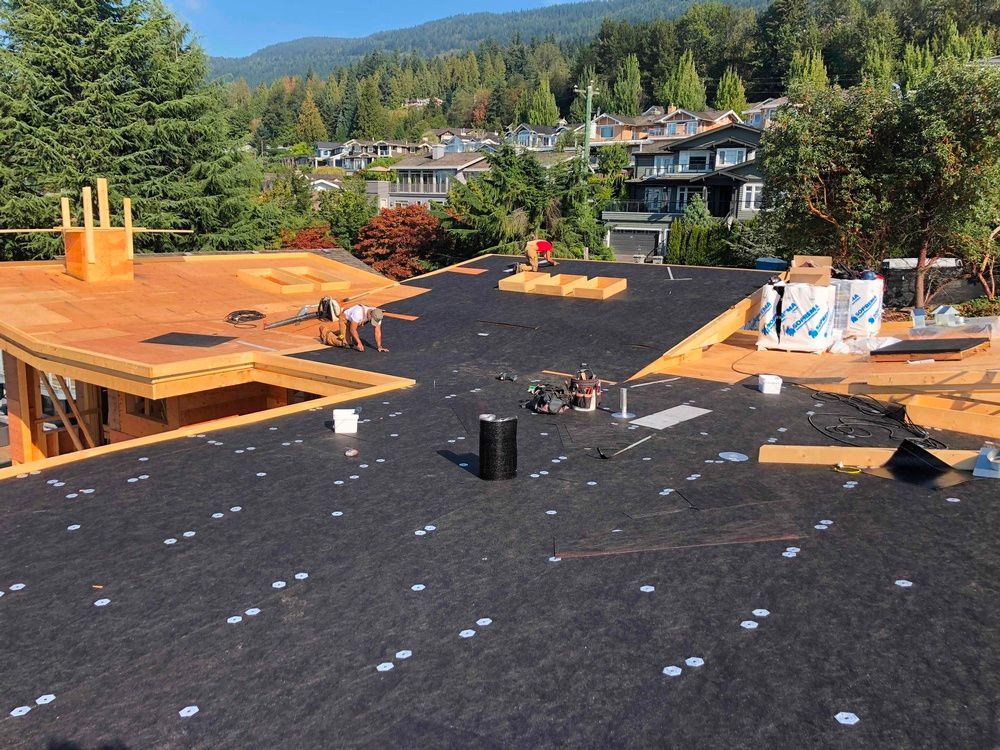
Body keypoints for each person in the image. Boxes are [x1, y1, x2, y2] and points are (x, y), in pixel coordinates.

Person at [319, 302, 388, 352]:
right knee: (346, 343)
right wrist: (359, 343)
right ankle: (325, 333)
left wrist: (379, 346)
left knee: (348, 334)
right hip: (344, 320)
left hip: (354, 322)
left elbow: (377, 331)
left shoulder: (378, 314)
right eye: (372, 320)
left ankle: (341, 333)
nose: (373, 323)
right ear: (370, 314)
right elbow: (353, 329)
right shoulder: (358, 313)